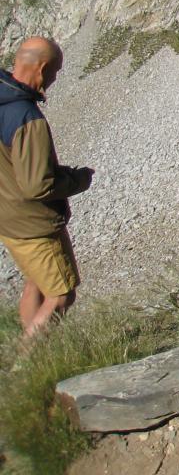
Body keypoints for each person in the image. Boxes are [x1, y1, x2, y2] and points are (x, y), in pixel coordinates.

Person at [0, 36, 94, 336]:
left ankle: (36, 349)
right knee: (61, 294)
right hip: (33, 222)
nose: (54, 79)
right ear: (41, 68)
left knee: (38, 282)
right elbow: (36, 184)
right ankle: (26, 368)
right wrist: (77, 180)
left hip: (8, 215)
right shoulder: (26, 118)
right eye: (54, 72)